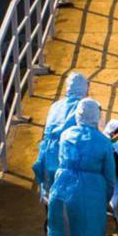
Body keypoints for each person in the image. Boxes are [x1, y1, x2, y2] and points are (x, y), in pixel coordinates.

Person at [47, 98, 116, 236]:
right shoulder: (104, 142)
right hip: (91, 192)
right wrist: (103, 200)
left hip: (63, 187)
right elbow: (110, 176)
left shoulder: (66, 135)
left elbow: (59, 161)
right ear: (97, 117)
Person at [33, 72, 89, 202]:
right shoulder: (83, 106)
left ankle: (49, 217)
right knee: (69, 193)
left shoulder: (55, 106)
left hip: (48, 151)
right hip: (68, 152)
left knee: (50, 191)